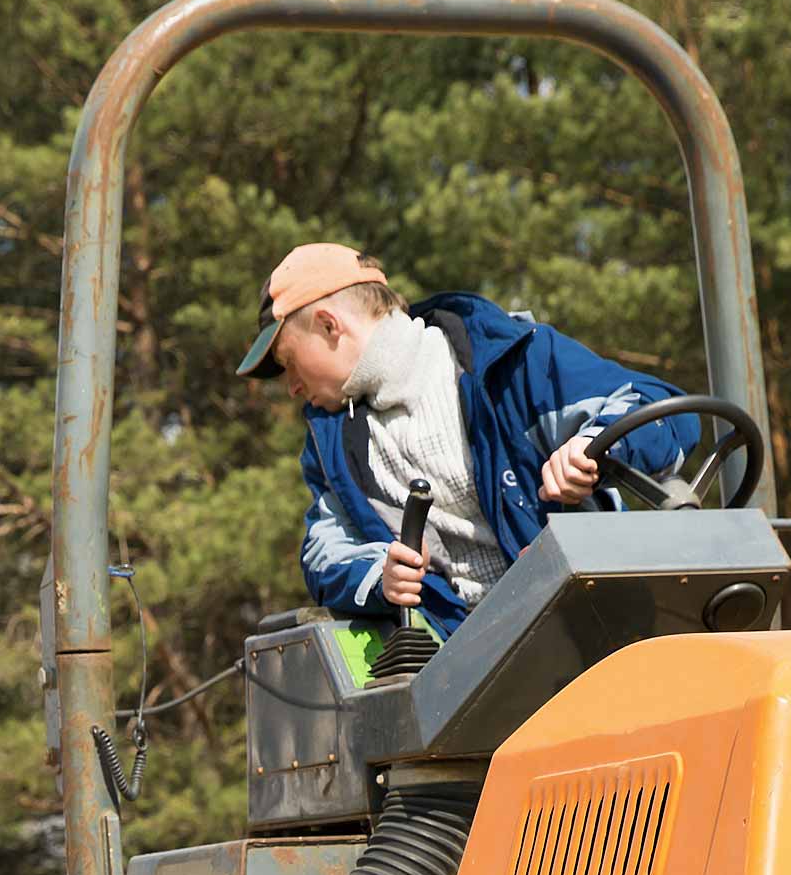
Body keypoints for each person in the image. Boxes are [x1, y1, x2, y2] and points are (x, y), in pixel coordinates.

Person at [238, 242, 697, 641]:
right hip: (465, 669)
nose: (292, 386)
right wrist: (378, 575)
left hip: (590, 625)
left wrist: (594, 446)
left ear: (328, 325)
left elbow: (659, 410)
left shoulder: (507, 359)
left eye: (290, 361)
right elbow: (324, 552)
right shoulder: (330, 443)